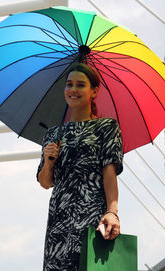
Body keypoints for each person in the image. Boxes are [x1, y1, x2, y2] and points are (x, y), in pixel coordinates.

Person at [36, 62, 124, 271]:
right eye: (69, 84)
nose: (73, 90)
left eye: (80, 85)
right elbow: (45, 183)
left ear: (94, 91)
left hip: (92, 214)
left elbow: (109, 174)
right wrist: (49, 162)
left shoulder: (106, 127)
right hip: (59, 218)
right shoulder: (53, 134)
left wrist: (113, 212)